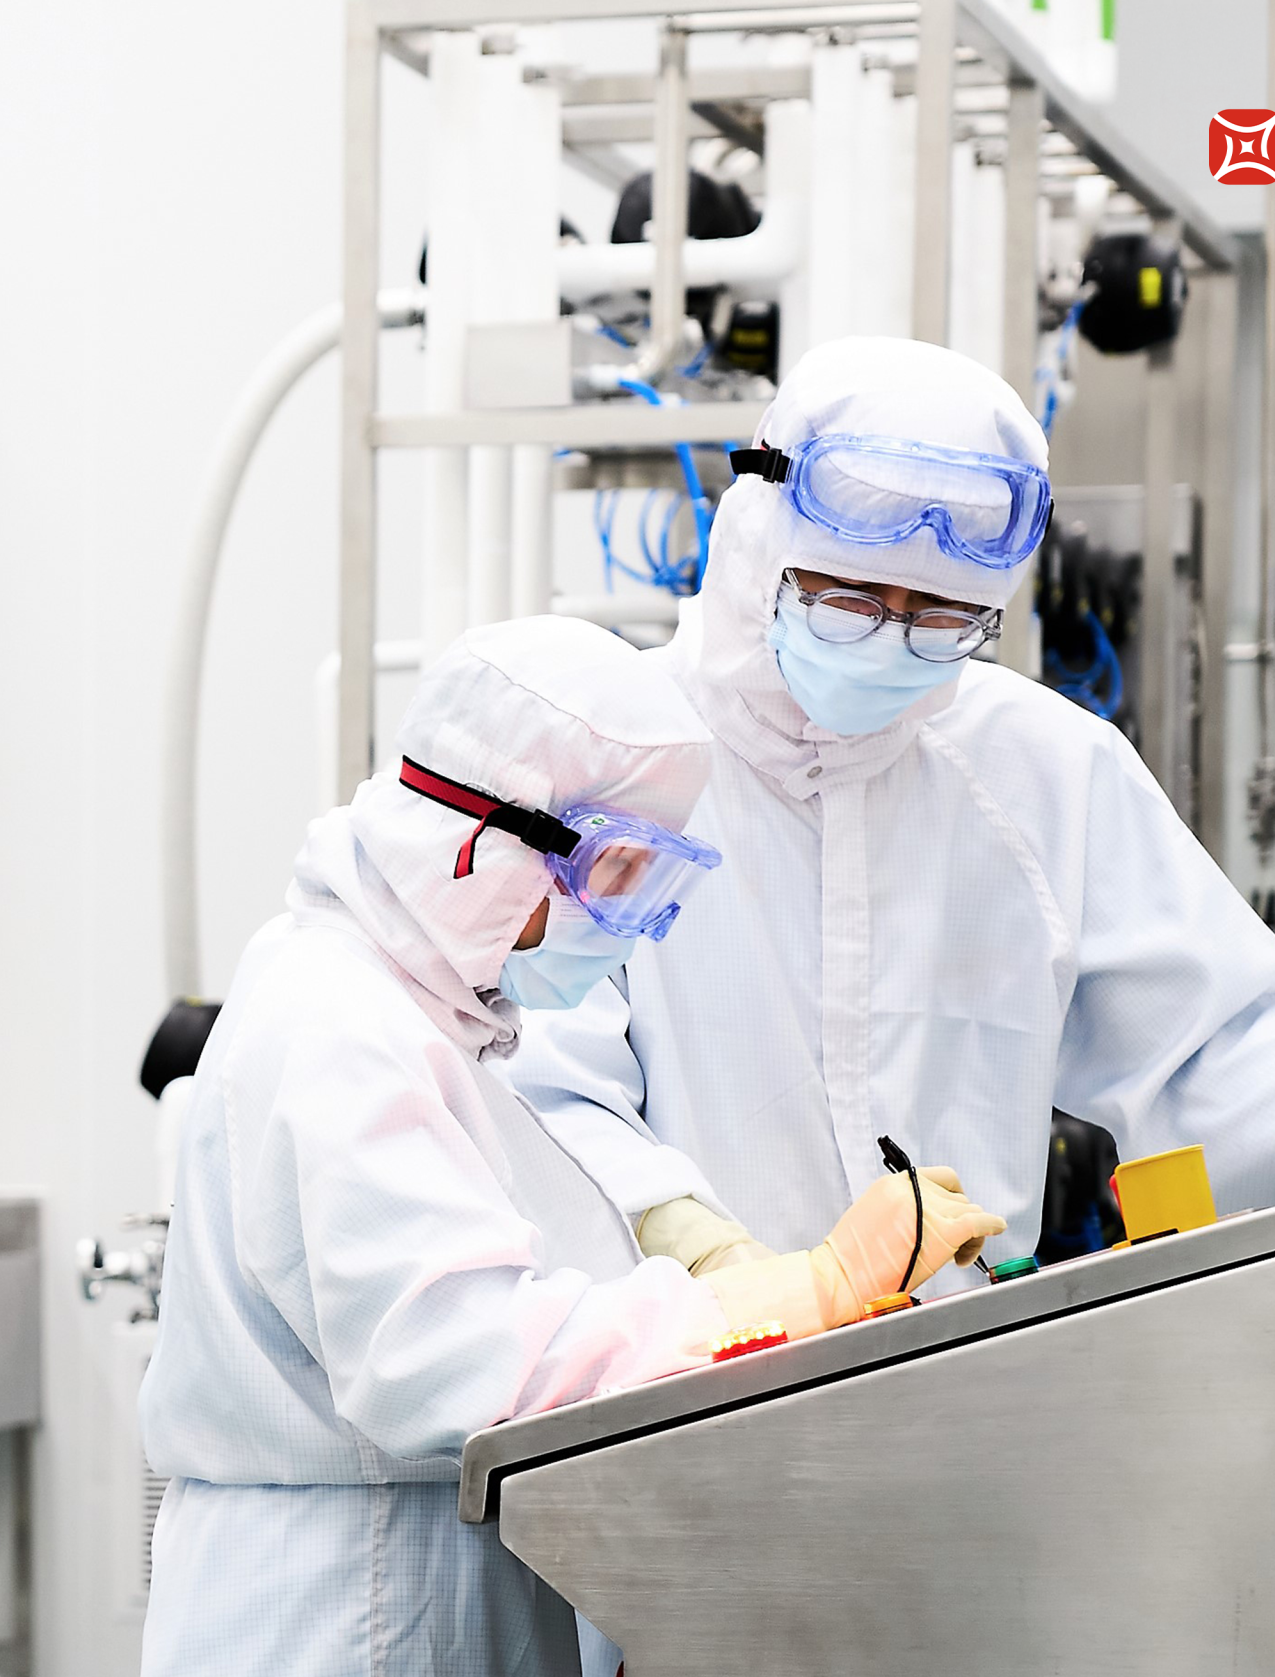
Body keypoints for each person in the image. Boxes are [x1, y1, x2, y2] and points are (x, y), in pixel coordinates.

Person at [506, 336, 1275, 1284]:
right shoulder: (612, 757)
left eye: (940, 618)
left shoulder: (1041, 769)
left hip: (957, 1365)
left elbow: (1204, 1052)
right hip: (659, 1373)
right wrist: (692, 1241)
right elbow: (532, 1071)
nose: (888, 641)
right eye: (847, 600)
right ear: (755, 545)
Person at [137, 615, 1004, 1677]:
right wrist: (804, 1290)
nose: (621, 923)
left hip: (408, 1582)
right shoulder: (341, 1027)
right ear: (481, 845)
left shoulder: (420, 1020)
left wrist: (725, 1274)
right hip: (343, 1609)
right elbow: (464, 1365)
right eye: (612, 872)